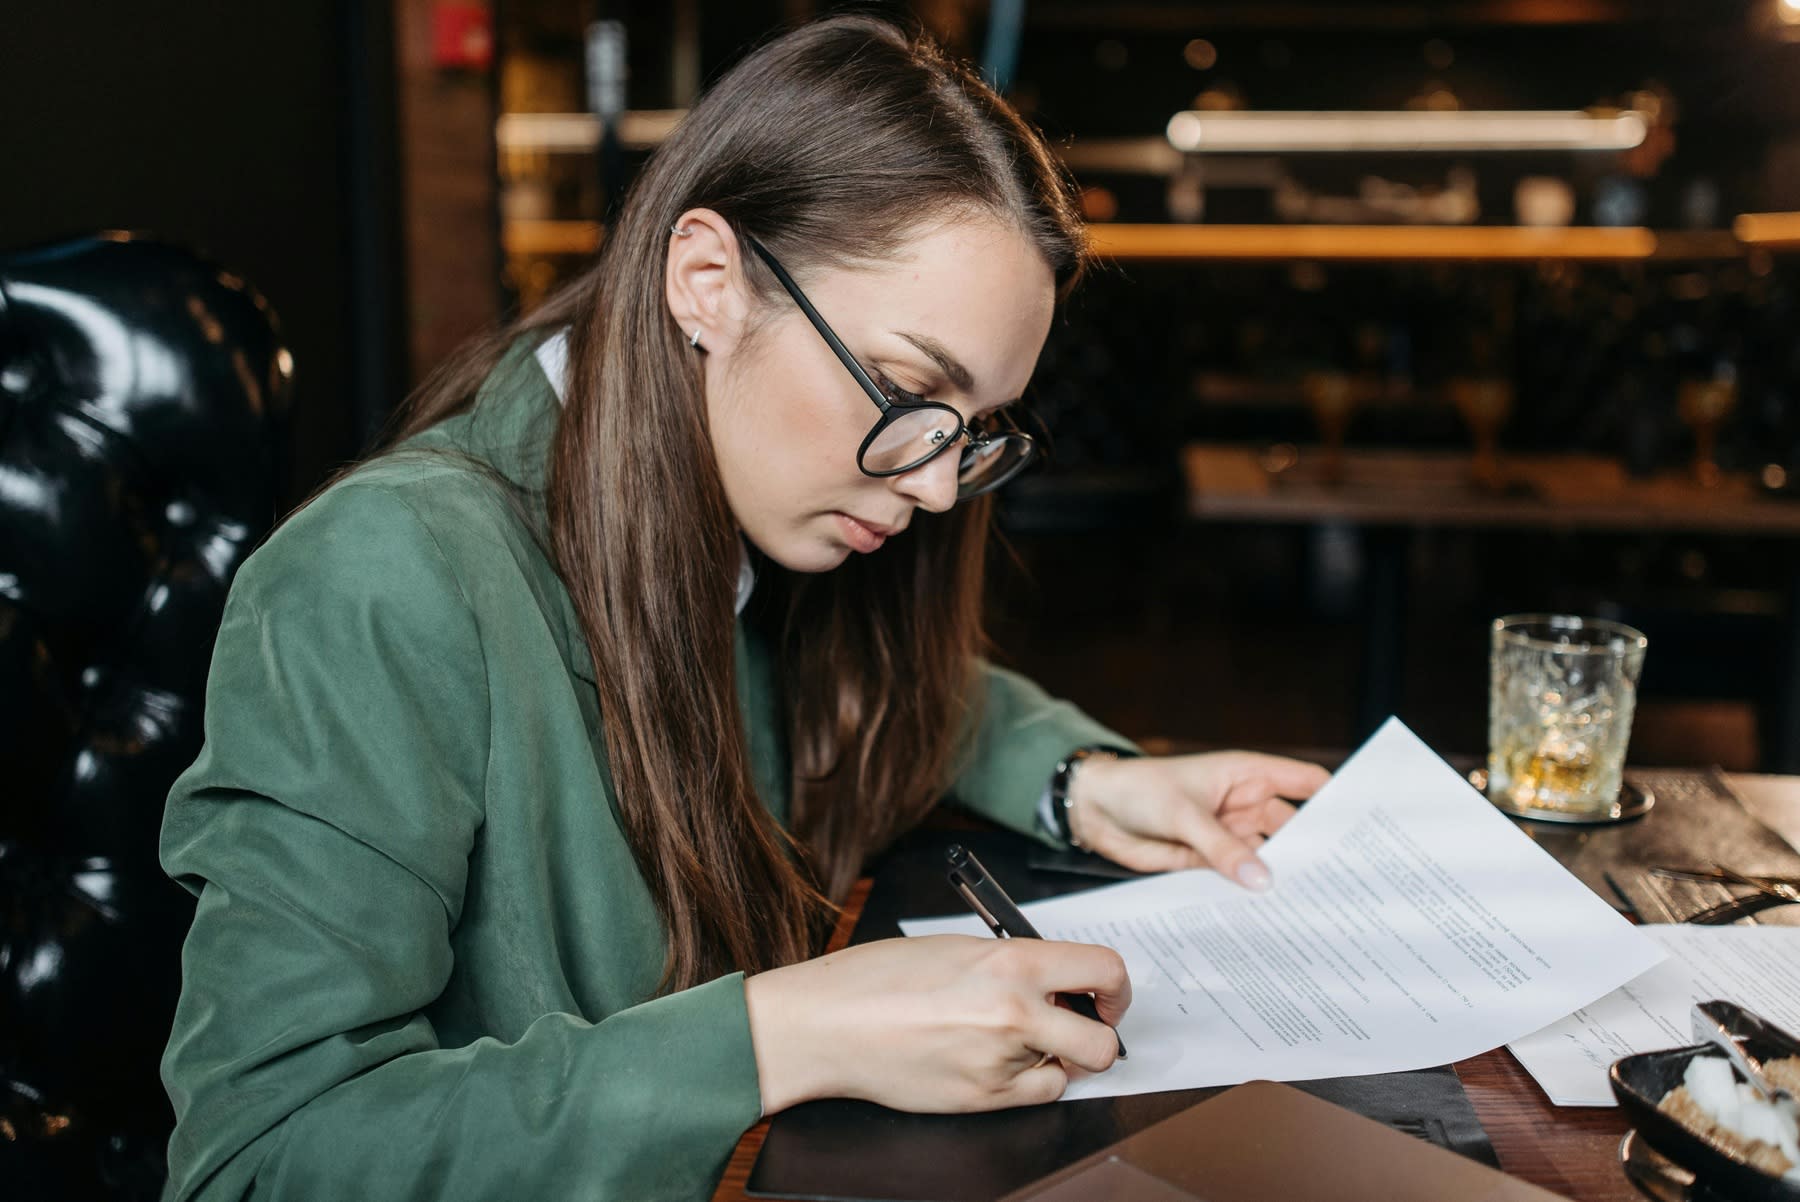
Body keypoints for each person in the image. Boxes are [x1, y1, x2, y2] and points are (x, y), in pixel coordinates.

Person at [158, 15, 1329, 1201]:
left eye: (973, 430)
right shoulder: (379, 579)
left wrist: (1081, 776)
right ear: (706, 280)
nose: (932, 484)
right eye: (912, 390)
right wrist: (780, 1034)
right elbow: (262, 1159)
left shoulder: (753, 505)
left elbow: (891, 685)